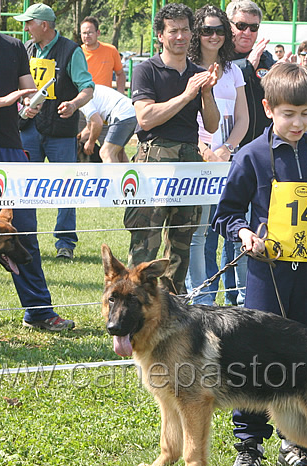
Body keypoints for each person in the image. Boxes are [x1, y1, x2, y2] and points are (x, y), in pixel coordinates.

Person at [213, 62, 307, 466]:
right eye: (289, 114)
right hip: (266, 275)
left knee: (305, 359)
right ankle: (248, 444)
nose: (298, 123)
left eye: (306, 113)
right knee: (253, 360)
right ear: (269, 109)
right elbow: (226, 213)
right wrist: (242, 233)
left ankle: (296, 442)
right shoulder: (252, 156)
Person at [0, 0, 74, 331]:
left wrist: (28, 103)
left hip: (11, 147)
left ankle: (38, 310)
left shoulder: (16, 46)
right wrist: (1, 101)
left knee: (23, 229)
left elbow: (25, 91)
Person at [126, 3, 219, 295]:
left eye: (185, 30)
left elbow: (213, 125)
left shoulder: (198, 73)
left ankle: (173, 305)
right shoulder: (146, 70)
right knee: (146, 242)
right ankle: (135, 303)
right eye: (173, 30)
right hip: (153, 158)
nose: (180, 36)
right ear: (160, 36)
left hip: (189, 159)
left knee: (183, 241)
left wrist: (205, 92)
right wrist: (187, 93)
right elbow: (146, 118)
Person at [16, 4, 94, 261]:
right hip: (29, 129)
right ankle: (25, 240)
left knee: (66, 187)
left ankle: (65, 243)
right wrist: (23, 106)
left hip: (60, 131)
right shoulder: (25, 49)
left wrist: (74, 104)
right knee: (26, 187)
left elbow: (87, 88)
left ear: (44, 25)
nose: (25, 28)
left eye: (29, 23)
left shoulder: (72, 51)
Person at [185, 4, 248, 305]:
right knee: (200, 235)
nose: (213, 36)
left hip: (229, 159)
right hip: (198, 158)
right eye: (206, 30)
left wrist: (228, 149)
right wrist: (205, 150)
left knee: (237, 232)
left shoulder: (234, 70)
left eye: (219, 30)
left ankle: (244, 298)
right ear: (196, 33)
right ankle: (202, 298)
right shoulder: (187, 68)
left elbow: (243, 118)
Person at [226, 0, 276, 146]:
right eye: (241, 26)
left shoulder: (265, 57)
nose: (247, 32)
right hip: (228, 145)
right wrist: (247, 66)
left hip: (263, 143)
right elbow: (219, 79)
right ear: (229, 26)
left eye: (253, 27)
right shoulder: (218, 55)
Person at [78, 84, 136, 162]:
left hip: (123, 115)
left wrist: (91, 142)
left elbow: (97, 123)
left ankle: (115, 174)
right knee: (117, 152)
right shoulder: (87, 90)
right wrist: (78, 139)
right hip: (131, 112)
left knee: (106, 153)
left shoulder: (82, 98)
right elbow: (90, 127)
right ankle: (125, 174)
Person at [80, 16, 126, 94]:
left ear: (98, 33)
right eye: (84, 33)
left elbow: (120, 73)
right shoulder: (77, 52)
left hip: (105, 98)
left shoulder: (111, 50)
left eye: (90, 32)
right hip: (83, 97)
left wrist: (120, 93)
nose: (86, 36)